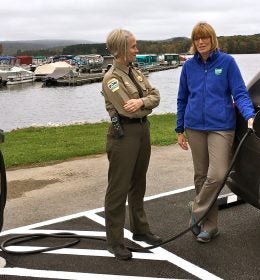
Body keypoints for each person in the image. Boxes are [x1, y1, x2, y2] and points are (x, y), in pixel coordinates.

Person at [175, 22, 255, 243]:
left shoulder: (227, 62)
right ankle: (209, 226)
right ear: (193, 42)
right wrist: (179, 128)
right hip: (194, 127)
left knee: (218, 174)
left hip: (221, 127)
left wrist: (249, 115)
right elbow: (182, 98)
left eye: (205, 38)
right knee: (201, 176)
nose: (201, 42)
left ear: (212, 39)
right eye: (197, 39)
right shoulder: (189, 67)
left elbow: (239, 93)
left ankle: (196, 210)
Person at [101, 28, 162, 260]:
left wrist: (143, 102)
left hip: (142, 131)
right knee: (118, 189)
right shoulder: (112, 79)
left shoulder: (134, 71)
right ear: (121, 49)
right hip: (123, 134)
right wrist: (144, 104)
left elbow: (155, 96)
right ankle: (114, 241)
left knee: (139, 183)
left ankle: (140, 230)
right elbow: (128, 108)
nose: (137, 50)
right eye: (134, 46)